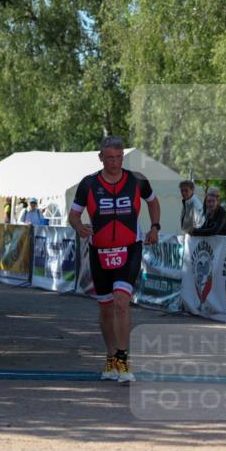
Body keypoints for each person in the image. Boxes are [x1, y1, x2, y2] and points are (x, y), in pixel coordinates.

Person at [69, 136, 160, 383]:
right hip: (99, 252)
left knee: (122, 301)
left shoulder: (137, 180)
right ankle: (110, 358)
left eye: (119, 158)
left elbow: (153, 202)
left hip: (130, 248)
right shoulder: (88, 184)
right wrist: (79, 227)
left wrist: (154, 227)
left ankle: (122, 360)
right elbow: (74, 215)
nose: (114, 163)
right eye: (109, 158)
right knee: (106, 307)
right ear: (101, 157)